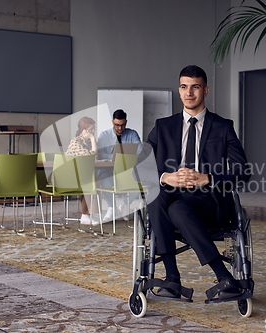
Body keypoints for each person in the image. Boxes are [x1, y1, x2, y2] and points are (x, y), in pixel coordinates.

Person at [142, 65, 250, 299]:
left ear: (205, 91)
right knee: (158, 194)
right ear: (179, 91)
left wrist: (208, 178)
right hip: (170, 193)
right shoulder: (163, 127)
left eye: (195, 87)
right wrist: (165, 177)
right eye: (184, 87)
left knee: (178, 208)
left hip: (208, 201)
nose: (189, 93)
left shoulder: (223, 127)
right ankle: (172, 278)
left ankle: (224, 277)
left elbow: (243, 172)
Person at [97, 109, 142, 222]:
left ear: (126, 122)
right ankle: (112, 208)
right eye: (117, 125)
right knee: (104, 180)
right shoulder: (104, 135)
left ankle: (125, 205)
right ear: (112, 122)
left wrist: (123, 158)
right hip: (108, 171)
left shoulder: (132, 134)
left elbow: (140, 152)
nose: (120, 128)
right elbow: (99, 154)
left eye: (122, 125)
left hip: (127, 170)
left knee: (139, 180)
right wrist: (113, 157)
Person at [65, 116, 99, 226]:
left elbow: (95, 157)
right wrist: (93, 139)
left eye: (94, 129)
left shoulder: (88, 142)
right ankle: (86, 215)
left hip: (80, 175)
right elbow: (92, 158)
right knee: (90, 180)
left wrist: (92, 140)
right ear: (83, 130)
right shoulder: (76, 142)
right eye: (91, 129)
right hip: (67, 176)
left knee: (96, 180)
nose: (93, 132)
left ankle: (92, 214)